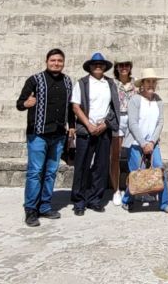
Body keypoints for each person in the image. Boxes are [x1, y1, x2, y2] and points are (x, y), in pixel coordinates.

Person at [16, 48, 74, 227]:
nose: (56, 63)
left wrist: (71, 126)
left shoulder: (67, 81)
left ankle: (45, 206)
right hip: (38, 134)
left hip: (58, 135)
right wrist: (27, 103)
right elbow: (19, 104)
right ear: (47, 61)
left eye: (59, 61)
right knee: (35, 173)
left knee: (50, 173)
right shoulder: (34, 80)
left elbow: (71, 107)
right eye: (53, 60)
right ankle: (31, 210)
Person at [70, 52, 121, 215]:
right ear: (90, 67)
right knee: (82, 165)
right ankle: (79, 201)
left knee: (101, 165)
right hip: (86, 129)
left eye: (101, 64)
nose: (98, 66)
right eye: (95, 64)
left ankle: (95, 199)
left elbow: (115, 107)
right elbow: (76, 106)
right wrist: (89, 124)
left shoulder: (111, 84)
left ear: (105, 67)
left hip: (104, 129)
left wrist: (105, 123)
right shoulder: (82, 83)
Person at [121, 68, 168, 213]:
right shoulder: (135, 100)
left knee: (159, 169)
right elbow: (132, 123)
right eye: (148, 81)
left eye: (153, 81)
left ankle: (164, 203)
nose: (151, 84)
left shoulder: (159, 100)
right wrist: (143, 143)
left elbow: (160, 122)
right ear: (142, 84)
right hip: (136, 143)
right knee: (138, 174)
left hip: (153, 143)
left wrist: (151, 142)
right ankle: (127, 200)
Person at [109, 60, 135, 207]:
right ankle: (116, 190)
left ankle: (135, 188)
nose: (124, 68)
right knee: (115, 156)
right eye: (121, 65)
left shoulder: (136, 83)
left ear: (130, 67)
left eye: (127, 65)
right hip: (117, 119)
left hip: (132, 120)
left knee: (134, 154)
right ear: (117, 67)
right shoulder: (112, 83)